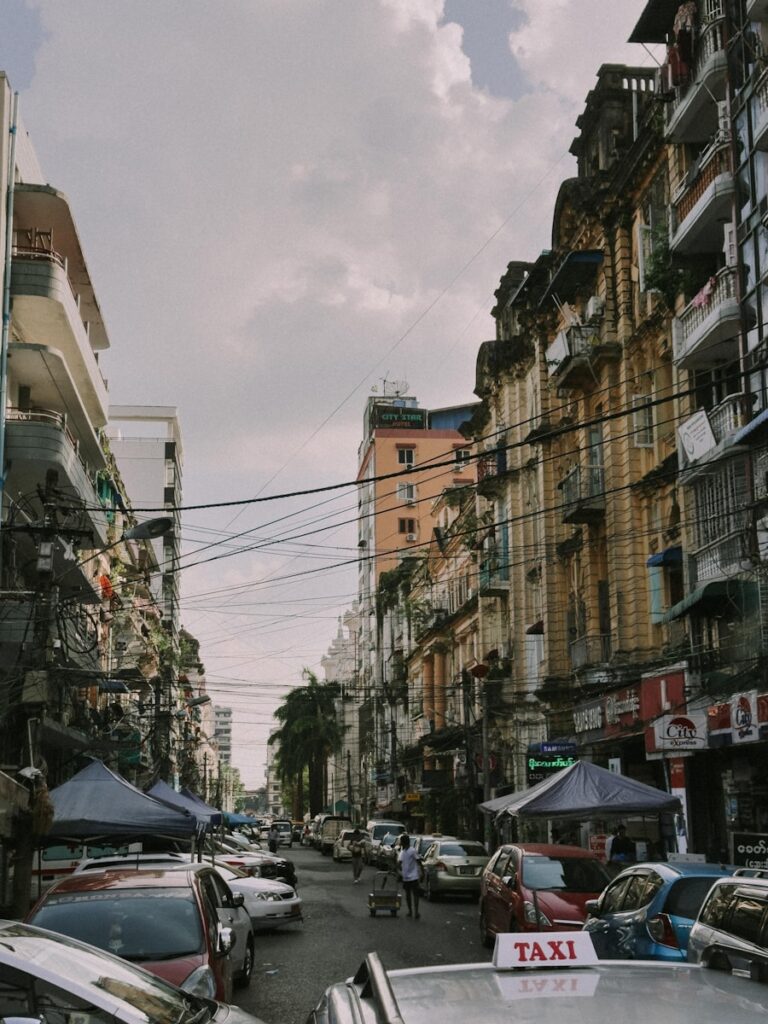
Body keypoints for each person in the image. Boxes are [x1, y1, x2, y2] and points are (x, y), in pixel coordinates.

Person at [397, 834, 422, 919]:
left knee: (415, 894)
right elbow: (399, 863)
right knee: (408, 894)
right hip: (406, 876)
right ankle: (411, 911)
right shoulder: (402, 852)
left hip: (414, 876)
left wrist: (422, 872)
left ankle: (416, 911)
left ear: (404, 842)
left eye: (401, 842)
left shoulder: (412, 850)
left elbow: (418, 860)